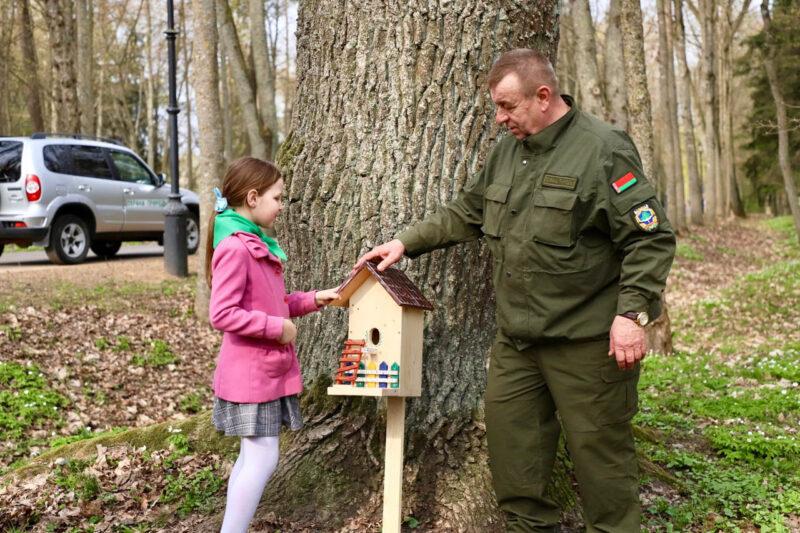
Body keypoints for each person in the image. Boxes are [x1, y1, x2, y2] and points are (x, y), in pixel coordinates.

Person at [355, 49, 676, 532]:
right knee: (516, 472)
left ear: (543, 96)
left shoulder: (603, 149)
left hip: (587, 345)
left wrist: (632, 315)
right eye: (497, 108)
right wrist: (404, 243)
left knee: (603, 473)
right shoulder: (508, 151)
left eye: (507, 107)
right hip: (517, 345)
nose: (500, 118)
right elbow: (467, 211)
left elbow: (650, 238)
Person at [206, 157, 339, 533]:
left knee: (254, 458)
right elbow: (222, 314)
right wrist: (276, 329)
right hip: (251, 373)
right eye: (277, 197)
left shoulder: (254, 243)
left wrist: (315, 298)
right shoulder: (235, 247)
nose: (282, 205)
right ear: (252, 197)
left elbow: (274, 303)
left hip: (264, 371)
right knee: (262, 458)